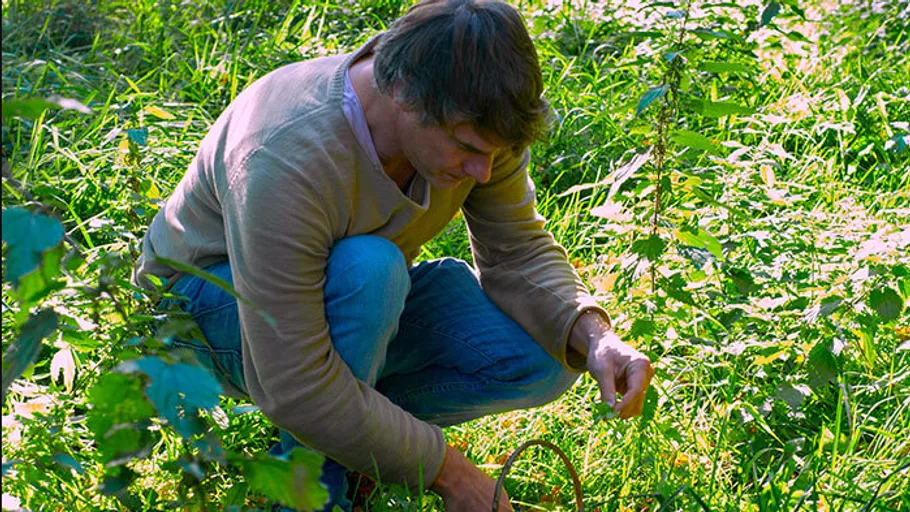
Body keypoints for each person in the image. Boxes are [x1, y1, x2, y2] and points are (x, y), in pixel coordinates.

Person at [134, 0, 654, 510]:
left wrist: (594, 335)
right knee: (370, 270)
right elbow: (293, 383)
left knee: (546, 347)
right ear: (403, 92)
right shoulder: (286, 153)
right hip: (207, 309)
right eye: (469, 149)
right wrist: (449, 471)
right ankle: (310, 490)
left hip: (344, 304)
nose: (482, 170)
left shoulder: (478, 121)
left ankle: (365, 445)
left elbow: (517, 250)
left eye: (494, 154)